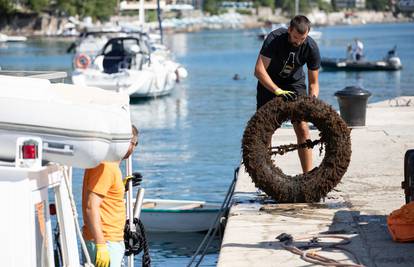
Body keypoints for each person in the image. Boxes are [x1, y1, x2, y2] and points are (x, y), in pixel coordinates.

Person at [254, 15, 320, 173]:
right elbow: (258, 70)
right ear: (289, 30)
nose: (298, 42)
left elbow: (313, 83)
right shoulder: (275, 38)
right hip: (269, 83)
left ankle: (308, 175)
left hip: (294, 84)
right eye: (296, 37)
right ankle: (266, 175)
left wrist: (312, 101)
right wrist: (277, 91)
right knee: (265, 130)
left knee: (303, 127)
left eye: (302, 38)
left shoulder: (311, 47)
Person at [82, 125, 139, 267]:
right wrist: (101, 244)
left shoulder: (109, 165)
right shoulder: (107, 166)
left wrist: (120, 187)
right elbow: (91, 206)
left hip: (109, 240)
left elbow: (103, 196)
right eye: (134, 143)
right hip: (105, 241)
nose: (133, 148)